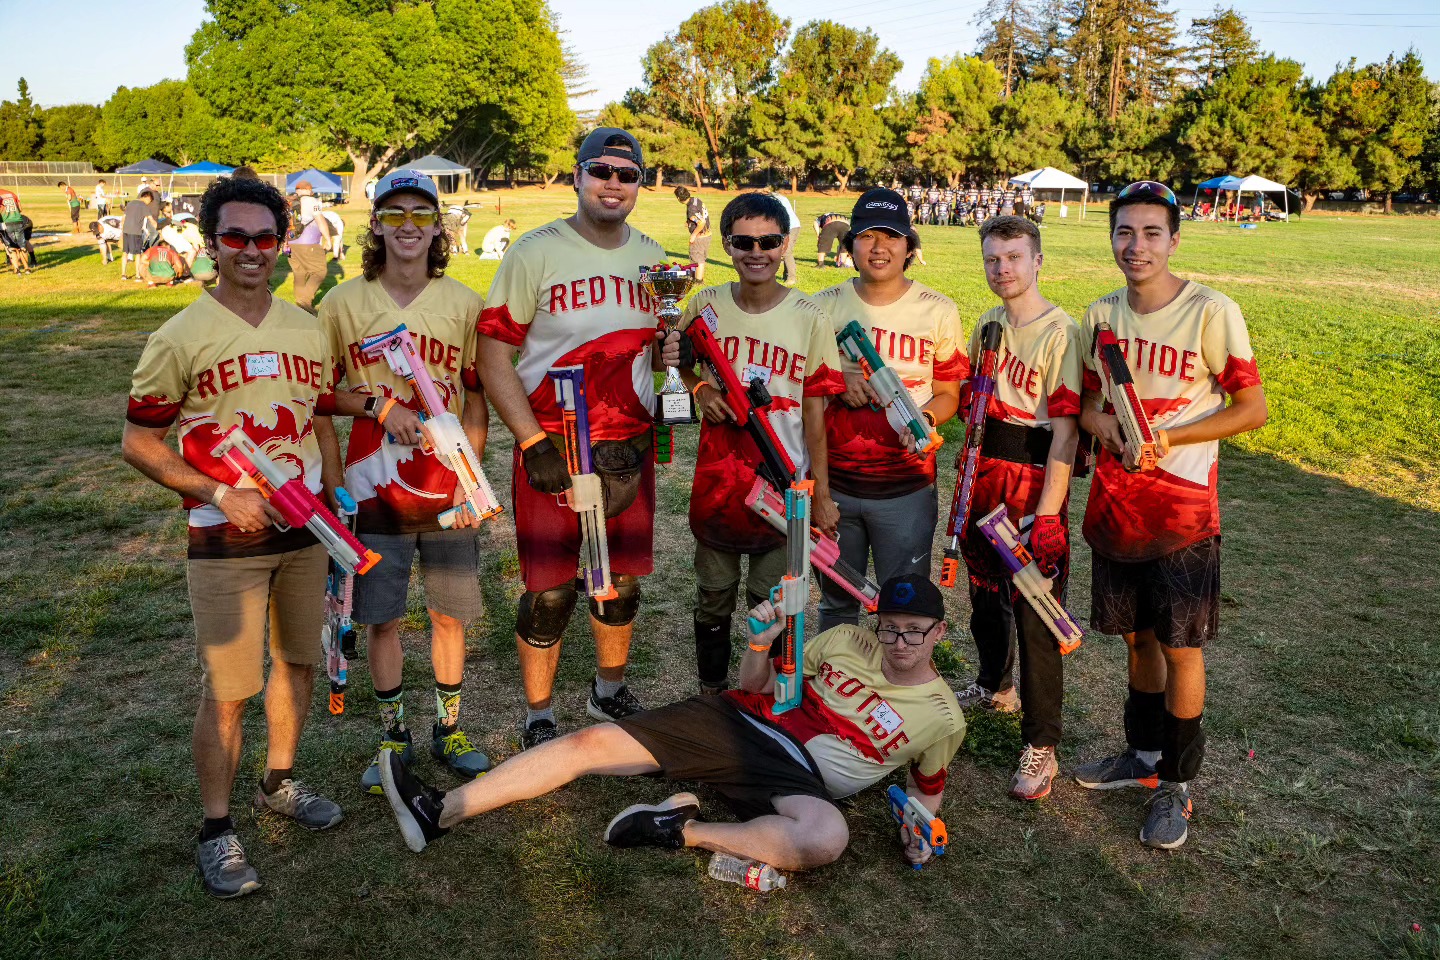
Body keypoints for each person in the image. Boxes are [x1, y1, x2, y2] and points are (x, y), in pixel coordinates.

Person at [377, 575, 965, 873]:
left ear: (939, 633)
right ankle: (441, 810)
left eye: (914, 630)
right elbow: (756, 687)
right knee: (588, 742)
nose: (898, 643)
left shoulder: (943, 717)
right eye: (889, 626)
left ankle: (676, 829)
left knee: (827, 838)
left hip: (803, 781)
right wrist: (759, 644)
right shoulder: (844, 639)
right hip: (746, 724)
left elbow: (925, 791)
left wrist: (917, 835)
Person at [120, 175, 343, 899]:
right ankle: (216, 830)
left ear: (284, 242)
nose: (252, 251)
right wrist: (219, 492)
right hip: (224, 537)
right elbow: (139, 442)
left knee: (300, 664)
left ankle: (278, 782)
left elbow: (314, 414)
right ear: (212, 243)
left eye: (266, 237)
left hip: (306, 530)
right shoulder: (179, 335)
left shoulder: (307, 324)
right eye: (236, 238)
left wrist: (333, 500)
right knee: (229, 690)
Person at [1074, 181, 1268, 849]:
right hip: (1118, 510)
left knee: (1182, 648)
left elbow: (1252, 408)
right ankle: (1144, 756)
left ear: (1174, 239)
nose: (1137, 246)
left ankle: (1178, 786)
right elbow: (1085, 407)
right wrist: (1109, 428)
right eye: (1125, 232)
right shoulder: (1099, 317)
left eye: (1152, 233)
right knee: (1136, 641)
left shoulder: (1210, 311)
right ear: (1112, 239)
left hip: (1183, 514)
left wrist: (1170, 438)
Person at [474, 127, 681, 748]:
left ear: (642, 185)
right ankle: (539, 714)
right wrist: (531, 442)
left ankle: (609, 690)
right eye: (602, 170)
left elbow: (661, 353)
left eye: (628, 174)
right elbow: (492, 352)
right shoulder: (534, 251)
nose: (614, 183)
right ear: (578, 176)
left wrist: (674, 353)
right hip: (556, 444)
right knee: (551, 589)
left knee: (622, 583)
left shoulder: (655, 259)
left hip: (628, 445)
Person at [312, 169, 493, 794]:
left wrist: (473, 478)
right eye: (394, 215)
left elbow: (475, 398)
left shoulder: (465, 303)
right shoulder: (342, 304)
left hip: (445, 489)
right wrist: (344, 470)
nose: (409, 226)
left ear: (438, 227)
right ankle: (393, 731)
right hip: (371, 491)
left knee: (450, 614)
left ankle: (449, 727)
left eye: (421, 214)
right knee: (382, 618)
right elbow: (317, 396)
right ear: (377, 226)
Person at [677, 192, 845, 694]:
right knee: (713, 594)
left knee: (769, 598)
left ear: (785, 243)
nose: (757, 252)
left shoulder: (809, 317)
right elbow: (680, 356)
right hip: (718, 479)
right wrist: (701, 388)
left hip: (782, 481)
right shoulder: (704, 304)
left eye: (769, 241)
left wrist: (820, 494)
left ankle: (760, 696)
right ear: (725, 244)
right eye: (744, 241)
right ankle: (711, 693)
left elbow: (816, 414)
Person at [954, 216, 1082, 801]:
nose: (1001, 269)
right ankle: (993, 684)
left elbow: (1065, 434)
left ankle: (1042, 744)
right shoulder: (987, 325)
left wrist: (1048, 513)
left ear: (1037, 262)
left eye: (1013, 258)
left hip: (1031, 480)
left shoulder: (1061, 333)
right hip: (986, 476)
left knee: (1037, 614)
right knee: (984, 594)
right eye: (991, 259)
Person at [812, 189, 965, 631]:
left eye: (892, 237)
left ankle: (900, 688)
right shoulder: (822, 307)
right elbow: (804, 396)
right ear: (850, 244)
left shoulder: (938, 309)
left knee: (904, 601)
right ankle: (834, 687)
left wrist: (925, 422)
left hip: (906, 486)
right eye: (867, 236)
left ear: (909, 247)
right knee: (837, 601)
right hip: (838, 483)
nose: (879, 247)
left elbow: (948, 393)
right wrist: (840, 386)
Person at [287, 190, 329, 313]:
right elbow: (320, 220)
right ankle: (304, 301)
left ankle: (300, 307)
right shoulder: (312, 201)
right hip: (308, 242)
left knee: (299, 272)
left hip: (290, 242)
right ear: (307, 190)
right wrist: (327, 238)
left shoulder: (288, 202)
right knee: (320, 271)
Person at [765, 186, 801, 285]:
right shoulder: (779, 197)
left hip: (790, 226)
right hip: (794, 225)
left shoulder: (772, 200)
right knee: (785, 251)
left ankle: (791, 278)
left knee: (786, 252)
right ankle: (786, 275)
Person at [675, 186, 711, 281]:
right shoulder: (695, 200)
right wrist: (689, 222)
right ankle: (698, 278)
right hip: (707, 235)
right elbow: (701, 214)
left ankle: (698, 280)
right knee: (701, 258)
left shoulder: (691, 209)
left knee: (697, 258)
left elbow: (701, 223)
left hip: (700, 236)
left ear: (678, 198)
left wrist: (693, 235)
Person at [120, 188, 156, 281]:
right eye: (150, 201)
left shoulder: (130, 203)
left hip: (126, 230)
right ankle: (137, 275)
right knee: (138, 254)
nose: (149, 203)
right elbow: (150, 218)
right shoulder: (143, 205)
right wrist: (155, 224)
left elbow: (123, 218)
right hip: (136, 231)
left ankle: (123, 274)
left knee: (125, 252)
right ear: (147, 198)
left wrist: (122, 230)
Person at [0, 187, 28, 274]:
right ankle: (27, 268)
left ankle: (17, 269)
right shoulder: (11, 193)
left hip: (6, 223)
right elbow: (20, 209)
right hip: (18, 220)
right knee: (22, 246)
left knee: (11, 247)